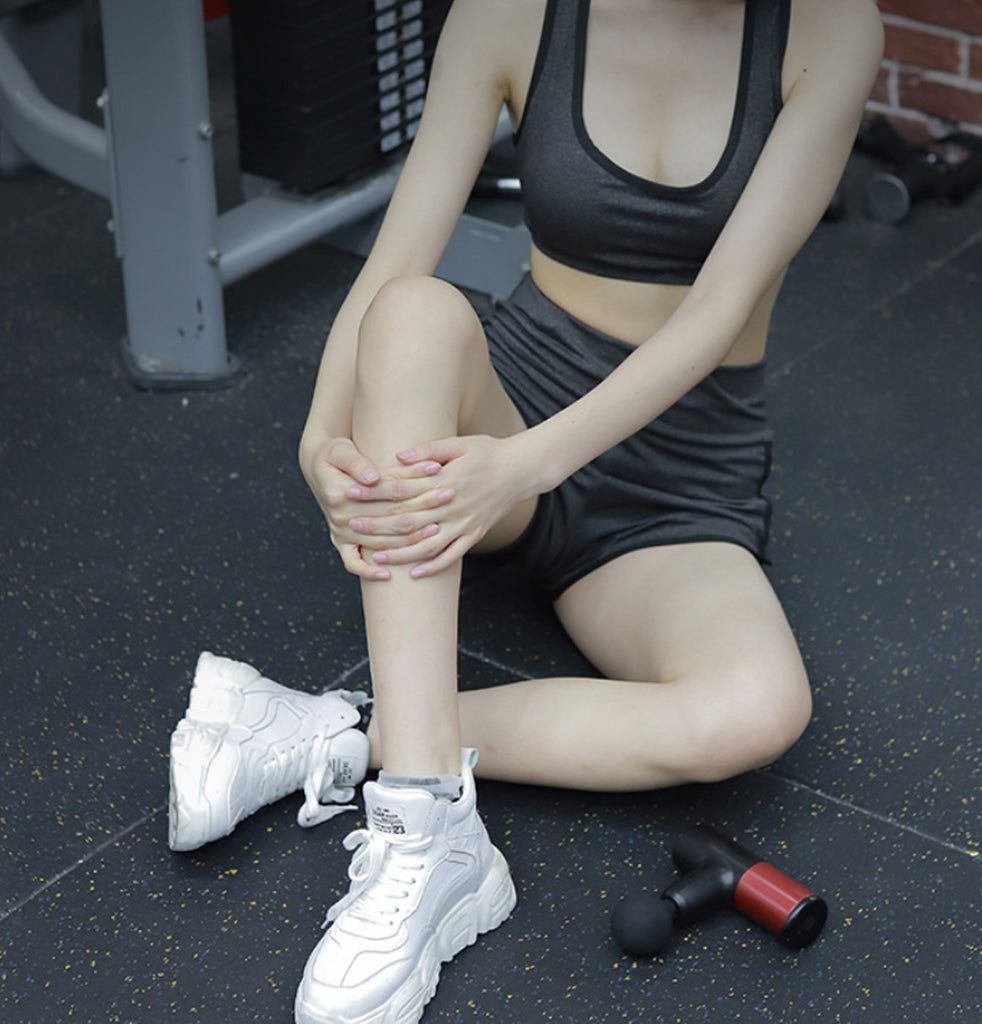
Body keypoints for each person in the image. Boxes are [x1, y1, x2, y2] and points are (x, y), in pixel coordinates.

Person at [167, 0, 884, 1021]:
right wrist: (317, 438)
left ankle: (336, 731)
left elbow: (718, 306)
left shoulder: (828, 29)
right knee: (414, 318)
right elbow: (395, 262)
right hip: (511, 407)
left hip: (676, 468)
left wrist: (526, 468)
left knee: (756, 708)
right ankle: (428, 831)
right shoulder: (510, 10)